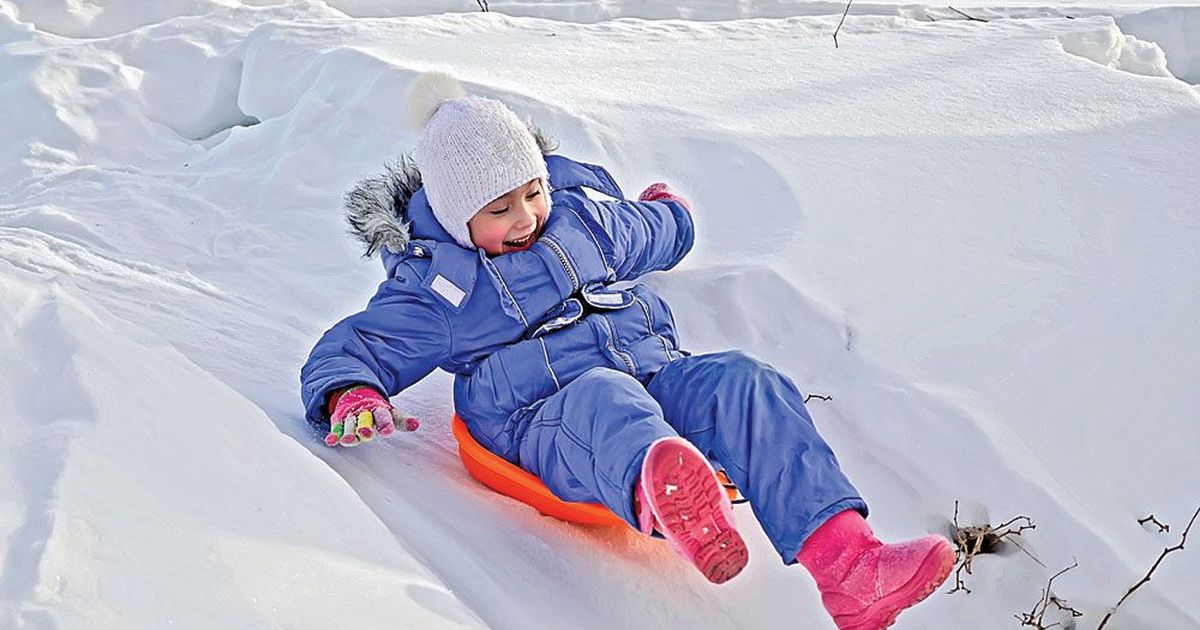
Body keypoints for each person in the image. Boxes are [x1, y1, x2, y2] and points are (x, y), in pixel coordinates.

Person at [300, 72, 954, 629]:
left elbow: (656, 231)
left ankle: (850, 565)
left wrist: (672, 212)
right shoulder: (443, 288)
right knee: (603, 398)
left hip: (653, 376)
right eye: (500, 210)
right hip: (544, 418)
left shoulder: (582, 221)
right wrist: (351, 391)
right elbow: (360, 345)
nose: (526, 217)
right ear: (454, 219)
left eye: (532, 191)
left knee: (745, 383)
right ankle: (672, 501)